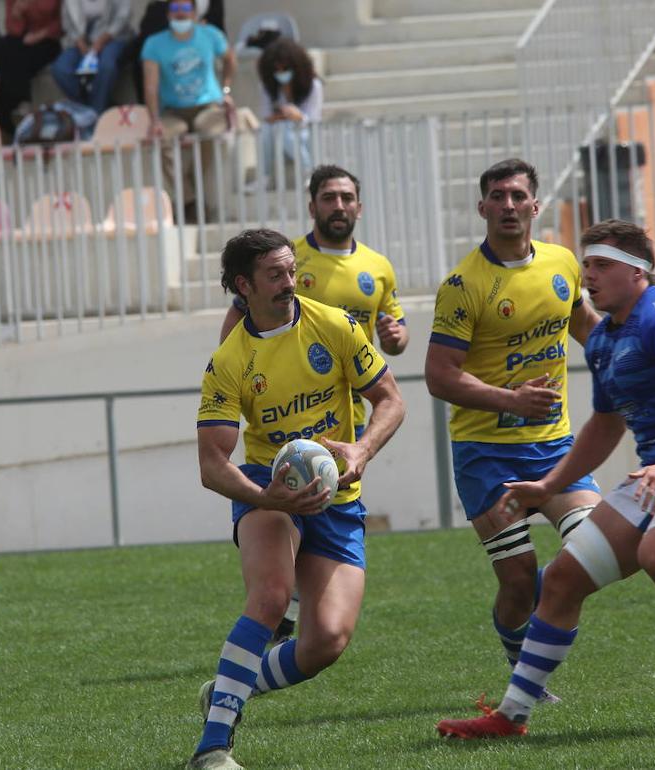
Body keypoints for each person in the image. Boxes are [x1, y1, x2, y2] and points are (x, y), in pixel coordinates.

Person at [436, 219, 655, 740]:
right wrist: (550, 485)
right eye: (586, 264)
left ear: (638, 272)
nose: (588, 275)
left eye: (600, 265)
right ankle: (512, 716)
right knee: (562, 581)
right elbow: (605, 424)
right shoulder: (604, 340)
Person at [191, 229, 406, 770]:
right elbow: (213, 465)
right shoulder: (229, 360)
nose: (289, 282)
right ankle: (212, 749)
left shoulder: (334, 325)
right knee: (269, 596)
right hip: (270, 487)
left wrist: (361, 448)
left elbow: (390, 400)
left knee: (326, 641)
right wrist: (266, 496)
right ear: (244, 285)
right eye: (275, 275)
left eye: (291, 271)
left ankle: (227, 688)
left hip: (339, 495)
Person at [425, 158, 602, 716]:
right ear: (482, 208)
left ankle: (534, 640)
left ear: (535, 206)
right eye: (496, 196)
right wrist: (510, 399)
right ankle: (519, 659)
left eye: (517, 195)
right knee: (519, 578)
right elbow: (440, 375)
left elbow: (586, 329)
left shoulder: (562, 263)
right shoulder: (463, 285)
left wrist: (635, 353)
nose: (507, 204)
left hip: (554, 446)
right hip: (484, 454)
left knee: (597, 549)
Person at [219, 165, 409, 642]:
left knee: (327, 631)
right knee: (277, 577)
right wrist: (239, 375)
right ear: (313, 206)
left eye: (347, 198)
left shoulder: (378, 267)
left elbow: (395, 335)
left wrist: (397, 335)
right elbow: (240, 333)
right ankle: (279, 603)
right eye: (329, 198)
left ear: (358, 207)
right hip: (281, 434)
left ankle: (287, 612)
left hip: (345, 422)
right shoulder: (286, 257)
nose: (338, 206)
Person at [141, 0, 248, 220]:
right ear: (168, 14)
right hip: (173, 110)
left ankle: (197, 192)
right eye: (175, 9)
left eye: (185, 9)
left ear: (194, 12)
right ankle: (189, 200)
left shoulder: (210, 34)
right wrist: (154, 120)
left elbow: (230, 59)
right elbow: (150, 86)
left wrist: (226, 88)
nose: (180, 14)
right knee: (161, 138)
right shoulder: (154, 43)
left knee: (209, 132)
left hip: (208, 106)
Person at [253, 37, 322, 186]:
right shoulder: (268, 88)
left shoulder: (313, 86)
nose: (281, 73)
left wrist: (296, 116)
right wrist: (283, 115)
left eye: (285, 69)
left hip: (305, 135)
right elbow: (266, 117)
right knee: (268, 130)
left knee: (284, 129)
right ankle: (264, 176)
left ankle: (309, 171)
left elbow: (312, 118)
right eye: (276, 70)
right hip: (277, 134)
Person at [0, 0, 63, 140]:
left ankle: (2, 117)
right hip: (22, 40)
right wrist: (17, 14)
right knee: (4, 50)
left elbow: (62, 23)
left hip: (48, 39)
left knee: (18, 59)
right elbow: (13, 31)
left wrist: (39, 35)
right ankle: (20, 105)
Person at [50, 0, 133, 117]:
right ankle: (90, 107)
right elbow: (67, 22)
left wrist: (100, 42)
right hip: (80, 38)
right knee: (60, 69)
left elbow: (123, 17)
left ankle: (95, 114)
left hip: (113, 36)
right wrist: (80, 42)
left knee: (107, 66)